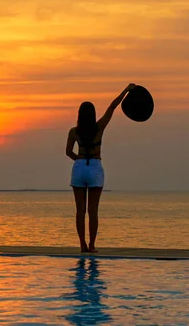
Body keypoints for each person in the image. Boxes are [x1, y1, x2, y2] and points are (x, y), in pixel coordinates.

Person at [65, 83, 136, 253]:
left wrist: (80, 159)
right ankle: (92, 245)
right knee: (93, 211)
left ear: (80, 115)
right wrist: (126, 90)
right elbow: (112, 106)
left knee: (80, 211)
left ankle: (82, 244)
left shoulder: (74, 131)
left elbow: (68, 152)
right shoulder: (100, 127)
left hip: (80, 167)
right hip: (95, 166)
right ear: (93, 115)